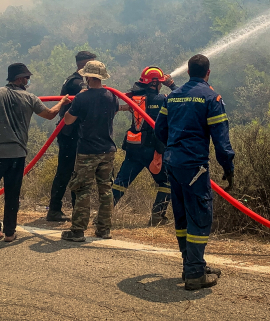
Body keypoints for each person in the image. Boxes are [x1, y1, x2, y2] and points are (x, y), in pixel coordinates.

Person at [154, 54, 235, 290]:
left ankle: (191, 263)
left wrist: (172, 150)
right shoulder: (211, 97)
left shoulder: (173, 96)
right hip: (195, 167)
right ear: (208, 73)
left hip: (173, 164)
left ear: (188, 72)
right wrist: (228, 168)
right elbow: (221, 140)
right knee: (199, 216)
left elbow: (160, 131)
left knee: (181, 216)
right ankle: (195, 273)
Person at [0, 63, 70, 246]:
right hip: (17, 155)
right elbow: (50, 115)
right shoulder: (30, 98)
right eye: (26, 77)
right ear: (18, 79)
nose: (28, 81)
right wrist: (62, 102)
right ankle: (10, 233)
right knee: (12, 193)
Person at [60, 60, 120, 242]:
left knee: (83, 189)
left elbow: (68, 121)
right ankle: (104, 229)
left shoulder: (82, 98)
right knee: (106, 189)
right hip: (108, 150)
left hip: (87, 151)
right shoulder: (112, 96)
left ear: (87, 76)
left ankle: (78, 231)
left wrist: (67, 105)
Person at [112, 66, 178, 226]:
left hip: (134, 147)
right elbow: (181, 99)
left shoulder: (135, 98)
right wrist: (172, 85)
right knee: (167, 181)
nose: (162, 85)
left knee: (121, 182)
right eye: (161, 82)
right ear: (155, 83)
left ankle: (102, 214)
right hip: (152, 149)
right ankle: (157, 217)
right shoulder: (162, 99)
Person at [46, 50, 97, 222]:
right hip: (70, 134)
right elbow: (86, 96)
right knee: (67, 171)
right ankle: (55, 210)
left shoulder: (78, 80)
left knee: (76, 170)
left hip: (76, 133)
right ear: (83, 65)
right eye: (91, 64)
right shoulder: (76, 83)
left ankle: (76, 210)